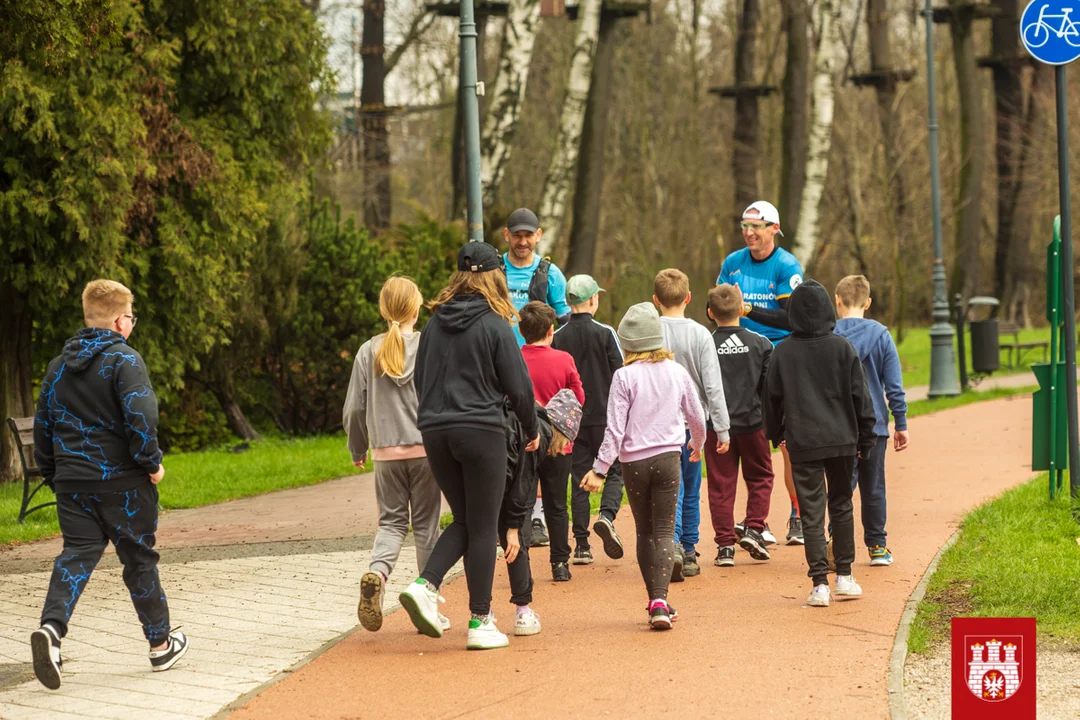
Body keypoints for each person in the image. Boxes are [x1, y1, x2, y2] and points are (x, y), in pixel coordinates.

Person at [31, 279, 188, 689]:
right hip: (122, 483)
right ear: (121, 321)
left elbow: (44, 426)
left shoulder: (57, 367)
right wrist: (151, 464)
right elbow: (142, 417)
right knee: (138, 559)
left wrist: (53, 474)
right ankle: (160, 646)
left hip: (72, 484)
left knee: (76, 555)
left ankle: (51, 631)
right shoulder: (125, 360)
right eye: (131, 318)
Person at [398, 242, 539, 651]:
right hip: (481, 430)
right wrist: (530, 428)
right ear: (495, 276)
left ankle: (425, 585)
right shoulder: (495, 325)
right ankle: (480, 620)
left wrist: (435, 418)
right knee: (483, 526)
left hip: (435, 431)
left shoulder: (435, 325)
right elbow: (519, 387)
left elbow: (420, 381)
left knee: (463, 519)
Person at [581, 303, 706, 630]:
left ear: (627, 343)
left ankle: (654, 599)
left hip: (634, 463)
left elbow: (615, 430)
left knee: (644, 531)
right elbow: (695, 414)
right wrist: (698, 443)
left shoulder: (623, 376)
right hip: (668, 459)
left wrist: (599, 469)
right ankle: (662, 601)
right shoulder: (676, 371)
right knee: (665, 530)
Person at [763, 280, 877, 608]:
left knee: (811, 511)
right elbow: (861, 397)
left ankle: (819, 584)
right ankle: (844, 575)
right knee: (841, 504)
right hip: (842, 439)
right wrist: (865, 438)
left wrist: (776, 433)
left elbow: (771, 400)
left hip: (802, 440)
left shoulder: (782, 352)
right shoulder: (842, 348)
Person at [344, 276, 446, 633]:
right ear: (417, 309)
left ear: (383, 309)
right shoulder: (428, 346)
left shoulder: (367, 351)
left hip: (385, 453)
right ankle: (426, 599)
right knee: (425, 529)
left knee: (391, 523)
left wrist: (358, 447)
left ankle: (378, 573)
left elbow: (355, 409)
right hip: (426, 451)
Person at [718, 200, 806, 545]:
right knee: (740, 439)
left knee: (786, 442)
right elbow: (719, 305)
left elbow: (792, 317)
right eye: (744, 226)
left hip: (779, 354)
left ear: (774, 228)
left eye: (757, 226)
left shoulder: (787, 265)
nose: (749, 233)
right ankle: (756, 520)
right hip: (739, 354)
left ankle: (798, 515)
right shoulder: (732, 263)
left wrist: (749, 308)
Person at [501, 207, 572, 545]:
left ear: (539, 235)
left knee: (542, 444)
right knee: (511, 445)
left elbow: (563, 320)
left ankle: (538, 518)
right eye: (518, 234)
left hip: (540, 369)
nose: (523, 241)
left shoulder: (551, 273)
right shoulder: (495, 271)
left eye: (529, 235)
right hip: (501, 369)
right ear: (507, 235)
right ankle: (513, 513)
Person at [653, 269, 731, 580]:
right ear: (688, 298)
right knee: (690, 486)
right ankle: (687, 550)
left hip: (659, 425)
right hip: (693, 426)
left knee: (669, 488)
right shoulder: (701, 334)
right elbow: (713, 385)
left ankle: (670, 542)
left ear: (656, 300)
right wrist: (722, 428)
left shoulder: (650, 332)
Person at [833, 275, 909, 567]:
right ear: (868, 302)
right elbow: (894, 385)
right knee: (873, 486)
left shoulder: (829, 336)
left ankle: (837, 542)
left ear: (837, 300)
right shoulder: (881, 335)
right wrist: (900, 422)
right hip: (875, 425)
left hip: (839, 425)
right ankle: (877, 546)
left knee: (841, 487)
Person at [553, 274, 626, 566]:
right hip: (606, 415)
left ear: (569, 303)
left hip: (573, 419)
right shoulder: (605, 332)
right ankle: (607, 516)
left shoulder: (558, 336)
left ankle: (582, 545)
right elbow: (620, 373)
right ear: (593, 299)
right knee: (615, 471)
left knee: (579, 477)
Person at [500, 389, 583, 637]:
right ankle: (523, 608)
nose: (562, 449)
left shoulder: (531, 426)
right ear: (560, 431)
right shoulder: (536, 438)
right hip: (498, 481)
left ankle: (482, 611)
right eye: (566, 441)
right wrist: (513, 527)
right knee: (529, 525)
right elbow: (522, 485)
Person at [706, 284, 775, 567]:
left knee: (721, 484)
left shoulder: (705, 343)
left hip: (716, 426)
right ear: (741, 309)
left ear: (711, 313)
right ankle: (755, 529)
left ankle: (725, 547)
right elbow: (769, 390)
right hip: (753, 423)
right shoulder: (762, 344)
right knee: (760, 477)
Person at [518, 301, 585, 581]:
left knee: (521, 503)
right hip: (558, 443)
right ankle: (560, 564)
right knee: (557, 505)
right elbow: (579, 398)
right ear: (550, 330)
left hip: (523, 440)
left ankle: (521, 566)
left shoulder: (513, 358)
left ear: (521, 331)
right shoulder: (564, 359)